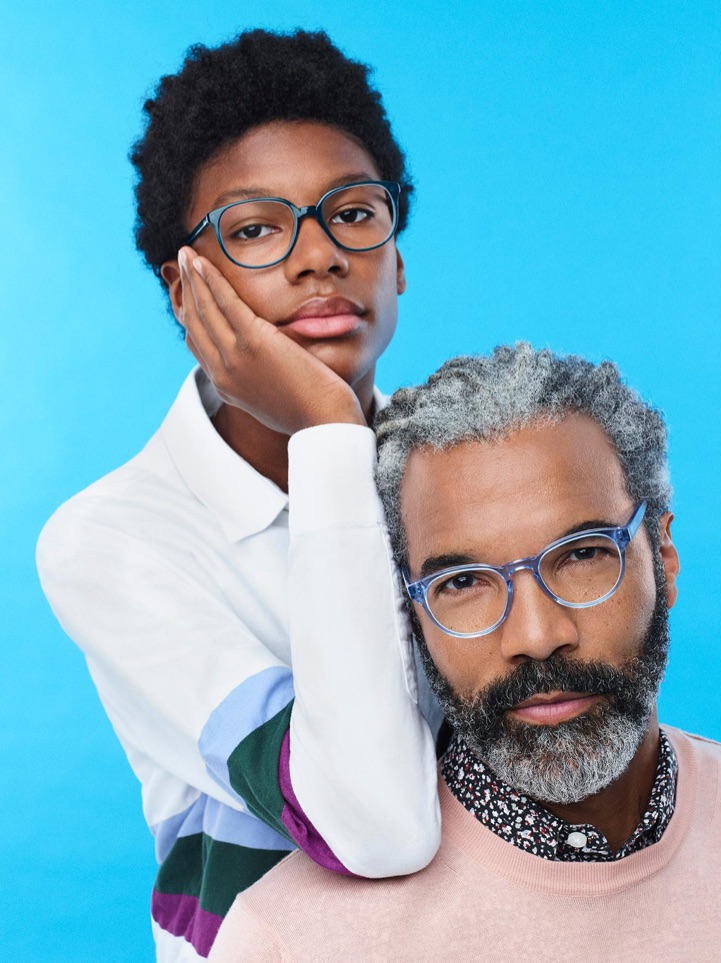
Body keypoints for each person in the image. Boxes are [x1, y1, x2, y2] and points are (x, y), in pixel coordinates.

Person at [36, 29, 441, 962]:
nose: (320, 257)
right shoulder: (111, 540)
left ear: (399, 259)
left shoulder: (463, 462)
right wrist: (331, 438)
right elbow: (371, 828)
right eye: (256, 229)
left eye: (354, 213)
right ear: (184, 293)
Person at [209, 344, 721, 962]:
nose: (536, 636)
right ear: (409, 613)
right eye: (461, 583)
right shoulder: (289, 941)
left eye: (582, 555)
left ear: (663, 558)